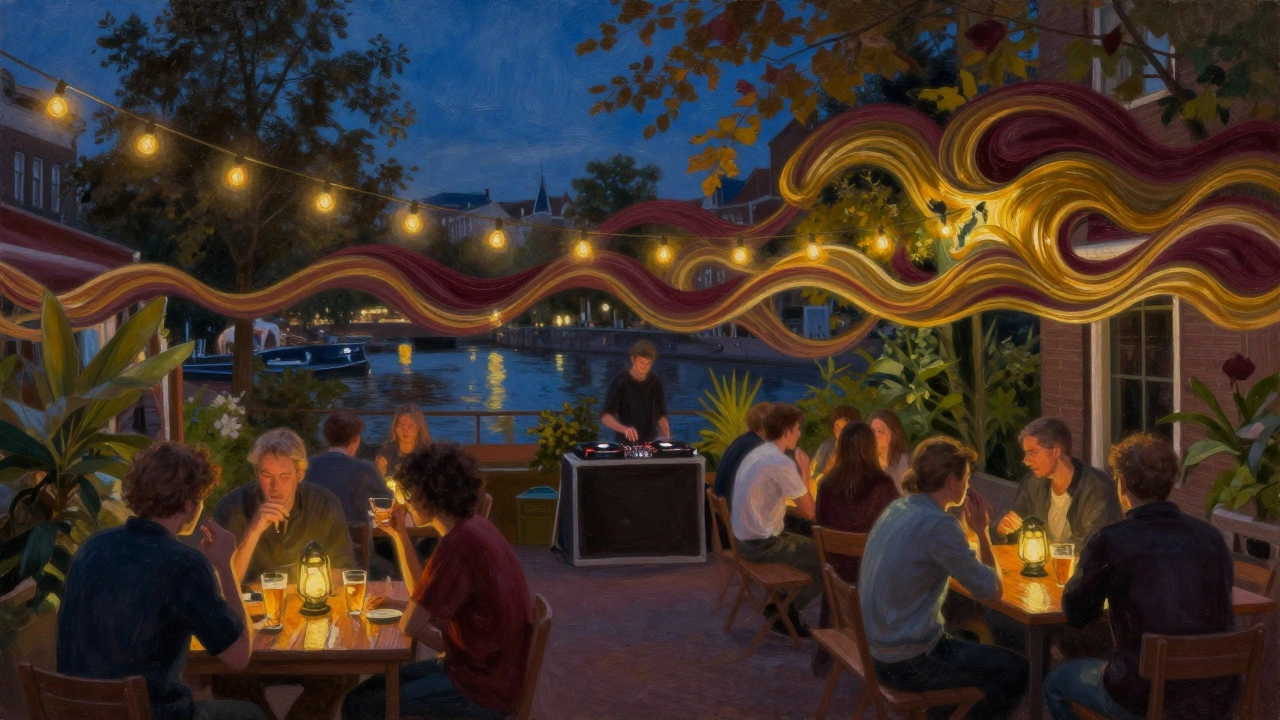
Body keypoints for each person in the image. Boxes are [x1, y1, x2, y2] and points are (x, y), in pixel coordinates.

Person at [57, 443, 264, 720]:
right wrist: (225, 566)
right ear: (189, 503)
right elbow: (238, 657)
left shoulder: (92, 547)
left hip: (77, 713)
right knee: (250, 714)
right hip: (148, 716)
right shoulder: (183, 564)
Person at [1044, 434, 1236, 720]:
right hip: (1215, 699)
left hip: (1142, 698)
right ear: (1170, 483)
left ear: (1121, 483)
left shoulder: (1110, 540)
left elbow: (1076, 613)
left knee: (1057, 682)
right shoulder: (1210, 537)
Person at [343, 442, 532, 720]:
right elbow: (424, 596)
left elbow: (411, 625)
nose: (405, 503)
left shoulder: (457, 544)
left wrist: (405, 615)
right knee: (367, 691)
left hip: (481, 690)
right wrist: (400, 535)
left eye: (409, 495)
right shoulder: (473, 527)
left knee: (361, 704)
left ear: (429, 495)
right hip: (486, 671)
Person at [858, 437, 1028, 720]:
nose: (968, 486)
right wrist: (982, 531)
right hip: (908, 663)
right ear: (952, 481)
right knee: (1017, 670)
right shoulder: (939, 524)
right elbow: (991, 590)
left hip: (877, 650)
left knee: (969, 637)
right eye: (967, 479)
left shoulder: (898, 508)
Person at [211, 428, 357, 720]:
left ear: (300, 474)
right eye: (267, 476)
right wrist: (254, 530)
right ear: (257, 473)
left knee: (341, 673)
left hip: (311, 628)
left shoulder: (324, 504)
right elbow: (221, 585)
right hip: (251, 632)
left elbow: (342, 573)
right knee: (225, 676)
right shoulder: (233, 506)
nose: (275, 486)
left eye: (285, 476)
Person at [811, 420, 900, 675]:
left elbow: (820, 522)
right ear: (870, 447)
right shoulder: (882, 484)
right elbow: (898, 522)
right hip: (872, 572)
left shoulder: (827, 484)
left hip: (835, 570)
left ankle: (825, 660)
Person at [730, 403, 818, 634]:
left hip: (743, 541)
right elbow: (810, 512)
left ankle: (782, 602)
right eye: (796, 429)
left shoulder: (757, 454)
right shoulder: (781, 463)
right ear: (787, 431)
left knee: (801, 536)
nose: (799, 434)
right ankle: (783, 612)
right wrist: (805, 470)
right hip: (761, 547)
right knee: (824, 557)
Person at [996, 417, 1122, 546]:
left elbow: (1091, 542)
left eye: (1032, 453)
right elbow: (1017, 529)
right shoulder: (1033, 484)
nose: (1026, 461)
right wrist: (1003, 530)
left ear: (1056, 451)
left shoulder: (1097, 486)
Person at [308, 409, 393, 525]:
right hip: (355, 536)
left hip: (314, 534)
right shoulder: (365, 470)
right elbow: (386, 503)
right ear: (355, 439)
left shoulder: (309, 465)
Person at [600, 339, 670, 443]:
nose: (645, 366)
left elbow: (660, 416)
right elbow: (605, 417)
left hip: (651, 443)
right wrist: (624, 429)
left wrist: (667, 438)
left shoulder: (655, 382)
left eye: (648, 363)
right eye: (641, 362)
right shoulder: (620, 381)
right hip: (625, 442)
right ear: (632, 359)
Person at [712, 401, 773, 510]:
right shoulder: (755, 447)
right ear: (767, 425)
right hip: (735, 510)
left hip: (725, 505)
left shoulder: (743, 440)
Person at [376, 403, 433, 477]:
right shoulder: (386, 453)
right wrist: (381, 471)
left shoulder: (426, 454)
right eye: (401, 426)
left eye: (410, 426)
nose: (405, 431)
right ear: (395, 427)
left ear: (418, 427)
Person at [810, 405, 861, 486]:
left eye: (844, 427)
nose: (839, 431)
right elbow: (813, 470)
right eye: (837, 425)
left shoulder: (859, 449)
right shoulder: (827, 445)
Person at [870, 409, 911, 494]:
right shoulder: (864, 460)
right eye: (872, 431)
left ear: (893, 435)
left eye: (880, 431)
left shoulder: (902, 461)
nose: (875, 435)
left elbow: (906, 494)